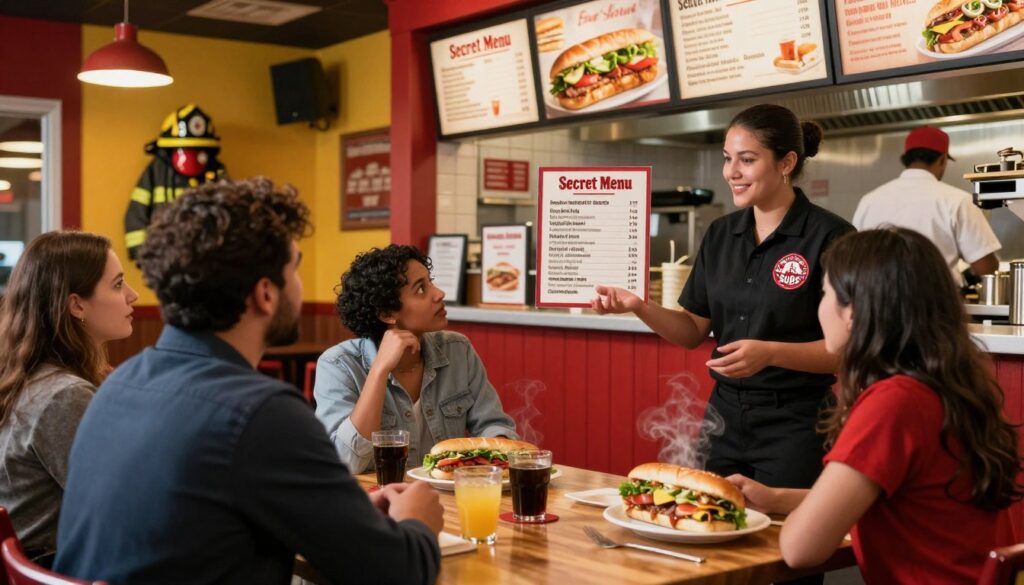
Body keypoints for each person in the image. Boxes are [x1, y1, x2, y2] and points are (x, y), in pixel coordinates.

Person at [54, 178, 444, 585]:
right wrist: (417, 523)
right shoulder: (262, 414)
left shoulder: (119, 385)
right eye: (294, 267)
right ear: (265, 294)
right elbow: (397, 573)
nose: (299, 281)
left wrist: (347, 509)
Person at [728, 228, 1021, 585]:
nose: (819, 308)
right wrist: (774, 498)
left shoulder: (893, 403)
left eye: (824, 294)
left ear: (854, 313)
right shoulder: (949, 388)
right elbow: (887, 497)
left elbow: (799, 549)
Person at [593, 103, 853, 490]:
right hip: (723, 418)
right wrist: (638, 306)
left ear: (786, 162)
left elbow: (850, 348)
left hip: (797, 423)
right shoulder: (720, 234)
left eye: (747, 160)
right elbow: (692, 330)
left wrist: (771, 353)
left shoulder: (832, 237)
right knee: (708, 521)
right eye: (728, 159)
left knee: (783, 540)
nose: (732, 172)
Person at [315, 244, 518, 473]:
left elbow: (493, 425)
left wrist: (500, 452)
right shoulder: (338, 365)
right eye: (421, 289)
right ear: (386, 314)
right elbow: (345, 462)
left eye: (430, 281)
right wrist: (379, 370)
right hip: (375, 502)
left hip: (447, 499)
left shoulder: (457, 350)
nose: (439, 293)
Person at [0, 231, 137, 564]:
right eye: (118, 285)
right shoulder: (64, 395)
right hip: (58, 570)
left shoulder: (34, 378)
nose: (133, 295)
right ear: (76, 305)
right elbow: (123, 509)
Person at [852, 126, 1000, 281]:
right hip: (933, 300)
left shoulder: (869, 200)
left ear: (907, 158)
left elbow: (855, 258)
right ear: (942, 160)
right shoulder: (957, 200)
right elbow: (986, 267)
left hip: (875, 299)